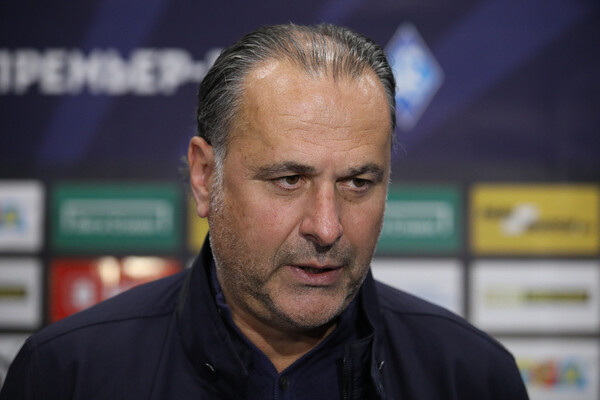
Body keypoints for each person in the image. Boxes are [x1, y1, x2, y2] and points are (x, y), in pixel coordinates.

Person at [0, 23, 528, 399]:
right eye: (288, 180)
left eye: (357, 183)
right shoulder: (67, 374)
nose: (327, 227)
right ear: (204, 177)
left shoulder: (471, 377)